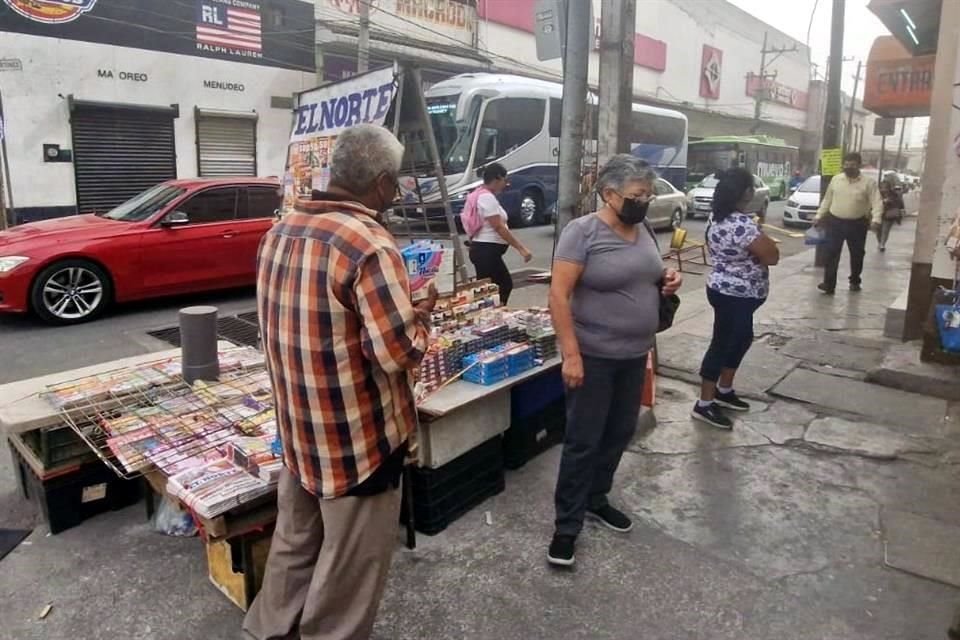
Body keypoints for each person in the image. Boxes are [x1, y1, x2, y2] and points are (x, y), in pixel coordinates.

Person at [244, 124, 437, 640]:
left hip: (299, 430)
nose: (395, 193)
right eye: (395, 183)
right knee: (348, 568)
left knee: (295, 543)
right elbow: (397, 353)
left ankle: (266, 630)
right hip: (357, 441)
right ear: (380, 183)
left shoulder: (280, 229)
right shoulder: (370, 243)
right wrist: (423, 317)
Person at [547, 154, 682, 567]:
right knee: (583, 442)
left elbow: (650, 274)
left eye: (648, 194)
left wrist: (667, 278)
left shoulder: (642, 229)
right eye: (637, 195)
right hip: (593, 356)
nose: (644, 202)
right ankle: (566, 527)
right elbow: (558, 295)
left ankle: (596, 498)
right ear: (609, 194)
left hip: (634, 354)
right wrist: (571, 355)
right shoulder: (582, 233)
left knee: (620, 432)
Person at [692, 168, 779, 430]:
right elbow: (772, 256)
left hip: (727, 290)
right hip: (735, 295)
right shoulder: (741, 225)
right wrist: (765, 241)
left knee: (741, 339)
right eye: (751, 187)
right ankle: (704, 404)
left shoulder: (719, 217)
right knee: (723, 343)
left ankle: (724, 389)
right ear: (746, 192)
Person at [814, 152, 883, 294]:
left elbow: (877, 202)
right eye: (846, 165)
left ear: (859, 165)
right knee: (831, 252)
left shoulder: (868, 183)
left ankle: (855, 280)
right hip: (835, 222)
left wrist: (876, 219)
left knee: (857, 254)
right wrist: (819, 215)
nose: (848, 168)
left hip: (857, 224)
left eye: (852, 165)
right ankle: (829, 284)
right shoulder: (836, 180)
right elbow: (827, 199)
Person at [466, 163, 533, 305]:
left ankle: (491, 317)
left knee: (489, 290)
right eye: (505, 180)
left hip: (484, 250)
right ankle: (493, 318)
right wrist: (521, 248)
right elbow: (499, 227)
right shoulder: (486, 198)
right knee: (501, 286)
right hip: (486, 251)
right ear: (497, 179)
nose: (506, 184)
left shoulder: (479, 194)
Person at [876, 178, 905, 252]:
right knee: (878, 231)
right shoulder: (877, 194)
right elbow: (873, 203)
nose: (884, 189)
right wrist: (882, 201)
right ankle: (880, 242)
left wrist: (890, 202)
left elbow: (899, 203)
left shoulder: (894, 194)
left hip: (889, 215)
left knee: (885, 230)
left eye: (886, 187)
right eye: (882, 187)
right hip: (878, 214)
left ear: (889, 187)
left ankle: (882, 245)